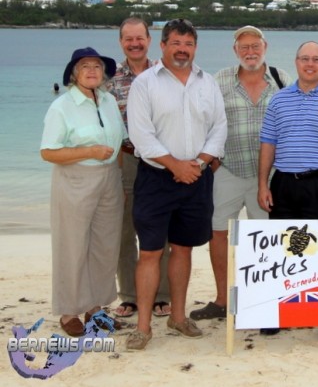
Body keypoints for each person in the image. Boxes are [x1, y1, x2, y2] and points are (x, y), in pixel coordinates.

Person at [125, 19, 227, 350]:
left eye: (189, 44)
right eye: (176, 43)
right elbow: (141, 135)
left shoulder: (207, 82)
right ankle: (143, 327)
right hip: (156, 179)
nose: (183, 50)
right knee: (150, 252)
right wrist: (175, 165)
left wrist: (198, 163)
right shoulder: (144, 84)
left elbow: (219, 128)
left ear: (195, 47)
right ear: (163, 45)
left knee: (183, 248)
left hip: (197, 177)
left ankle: (178, 317)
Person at [190, 25, 292, 321]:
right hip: (228, 170)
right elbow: (202, 120)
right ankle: (223, 299)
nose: (250, 52)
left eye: (255, 46)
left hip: (269, 177)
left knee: (268, 238)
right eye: (244, 47)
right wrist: (212, 160)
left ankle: (266, 299)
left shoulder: (281, 78)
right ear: (235, 50)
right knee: (218, 232)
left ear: (265, 47)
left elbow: (293, 121)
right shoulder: (219, 80)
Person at [257, 41, 318, 341]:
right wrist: (262, 184)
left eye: (316, 59)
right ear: (296, 62)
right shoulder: (278, 100)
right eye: (304, 59)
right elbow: (268, 144)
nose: (310, 64)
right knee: (283, 252)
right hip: (284, 183)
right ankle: (280, 313)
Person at [40, 47, 126, 336]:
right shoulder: (62, 106)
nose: (92, 70)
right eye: (85, 66)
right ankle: (69, 312)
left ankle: (95, 308)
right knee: (72, 245)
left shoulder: (109, 100)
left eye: (97, 66)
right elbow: (48, 152)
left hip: (109, 179)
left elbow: (120, 142)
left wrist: (118, 177)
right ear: (74, 74)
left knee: (105, 246)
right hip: (75, 179)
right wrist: (88, 151)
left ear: (103, 73)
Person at [107, 17, 171, 319]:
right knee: (125, 230)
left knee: (162, 230)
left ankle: (162, 295)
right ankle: (130, 296)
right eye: (128, 39)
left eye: (139, 38)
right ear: (121, 42)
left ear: (149, 39)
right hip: (127, 158)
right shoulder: (109, 79)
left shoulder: (165, 73)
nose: (135, 44)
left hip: (162, 160)